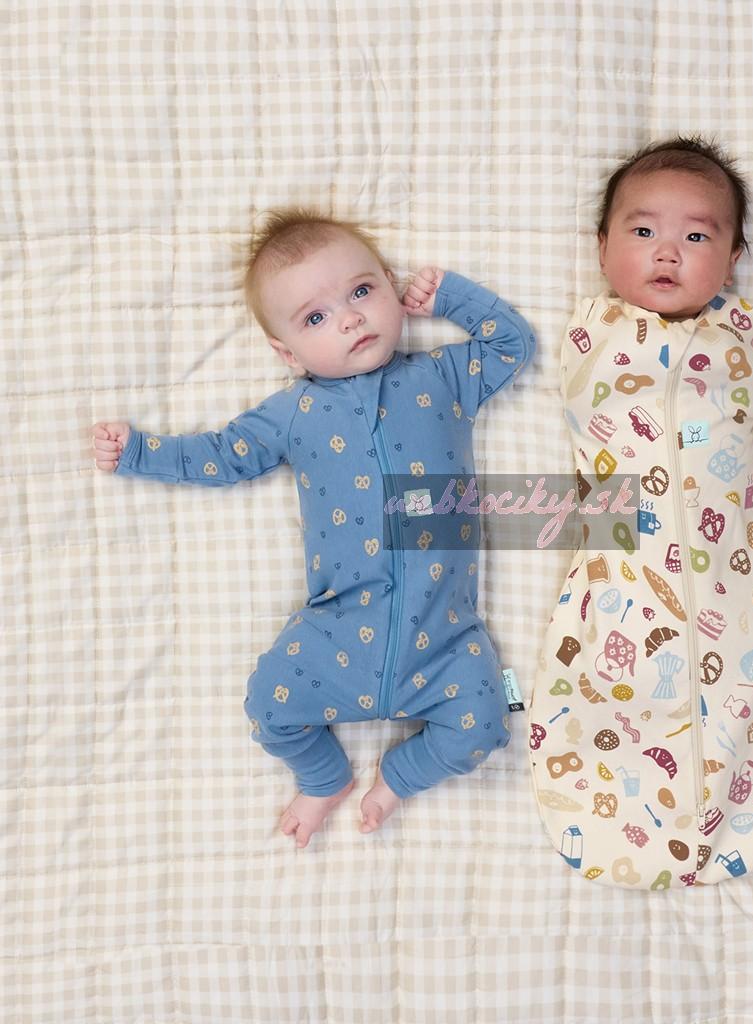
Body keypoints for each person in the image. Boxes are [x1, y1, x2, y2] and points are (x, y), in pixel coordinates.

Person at [93, 209, 535, 848]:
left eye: (362, 291)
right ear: (287, 353)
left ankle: (400, 776)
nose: (350, 318)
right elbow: (221, 455)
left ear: (391, 289)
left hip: (445, 638)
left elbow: (511, 346)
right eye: (316, 318)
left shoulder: (441, 377)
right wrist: (139, 451)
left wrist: (450, 297)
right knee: (269, 705)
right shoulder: (292, 413)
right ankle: (324, 778)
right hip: (337, 630)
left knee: (484, 726)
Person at [527, 138, 753, 889]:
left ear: (732, 262)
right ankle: (624, 812)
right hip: (622, 561)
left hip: (736, 567)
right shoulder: (593, 335)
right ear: (602, 248)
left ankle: (747, 800)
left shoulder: (737, 340)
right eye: (642, 231)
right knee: (615, 678)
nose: (667, 252)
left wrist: (721, 328)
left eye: (697, 236)